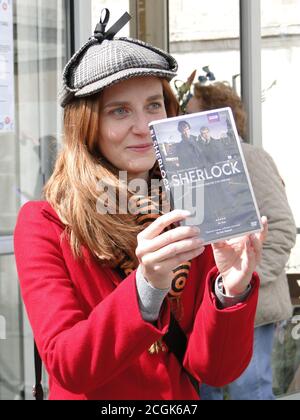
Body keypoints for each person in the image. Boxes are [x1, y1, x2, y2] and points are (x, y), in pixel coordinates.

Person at [14, 11, 267, 400]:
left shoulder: (187, 201)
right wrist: (146, 287)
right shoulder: (45, 222)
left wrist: (230, 290)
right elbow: (68, 365)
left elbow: (216, 370)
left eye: (153, 105)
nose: (144, 126)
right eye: (119, 111)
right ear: (87, 125)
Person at [186, 81, 297, 400]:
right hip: (208, 304)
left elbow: (282, 225)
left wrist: (248, 279)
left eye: (192, 114)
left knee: (250, 390)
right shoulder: (193, 167)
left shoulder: (248, 157)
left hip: (251, 304)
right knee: (204, 390)